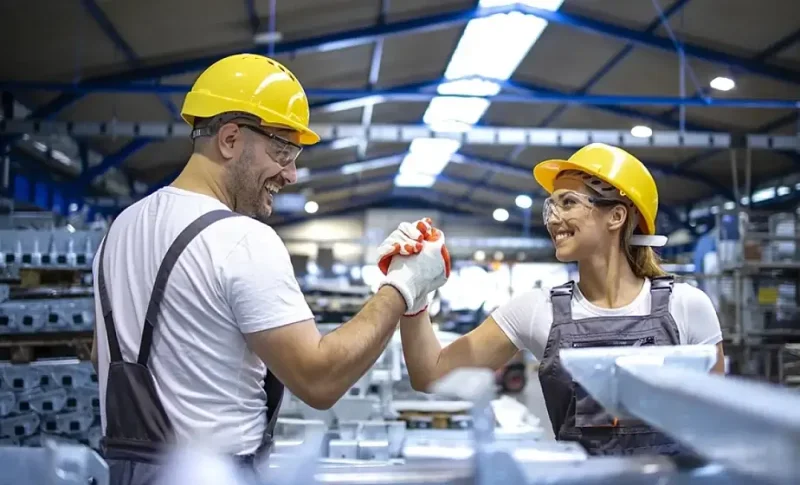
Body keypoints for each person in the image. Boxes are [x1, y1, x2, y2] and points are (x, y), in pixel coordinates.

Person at [89, 53, 450, 483]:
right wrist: (402, 285)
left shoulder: (119, 231)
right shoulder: (240, 239)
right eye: (282, 152)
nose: (291, 174)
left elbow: (102, 357)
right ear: (229, 139)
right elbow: (320, 380)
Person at [394, 143, 725, 456]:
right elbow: (431, 375)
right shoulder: (535, 310)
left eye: (568, 203)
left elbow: (718, 424)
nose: (552, 219)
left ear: (616, 216)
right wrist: (414, 290)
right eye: (551, 206)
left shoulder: (686, 306)